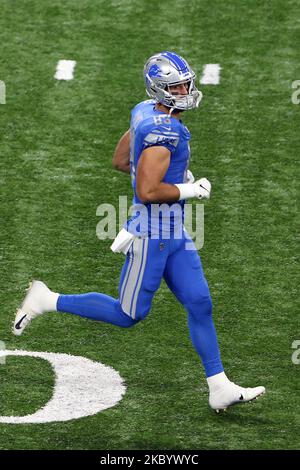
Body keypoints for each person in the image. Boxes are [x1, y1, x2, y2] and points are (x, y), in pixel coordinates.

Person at [13, 51, 265, 412]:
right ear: (160, 89)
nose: (186, 89)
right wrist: (189, 189)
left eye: (185, 82)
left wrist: (175, 179)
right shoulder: (165, 130)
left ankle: (219, 386)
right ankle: (46, 299)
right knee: (129, 314)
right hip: (153, 233)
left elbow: (121, 160)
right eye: (176, 85)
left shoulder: (145, 110)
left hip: (173, 229)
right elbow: (147, 191)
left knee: (199, 302)